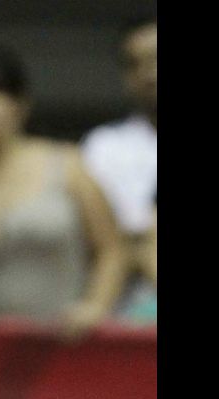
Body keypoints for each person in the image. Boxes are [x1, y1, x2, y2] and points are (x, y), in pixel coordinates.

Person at [0, 45, 127, 338]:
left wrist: (96, 306)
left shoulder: (68, 165)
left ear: (19, 103)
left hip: (66, 346)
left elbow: (112, 249)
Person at [80, 18, 157, 321]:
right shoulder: (102, 146)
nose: (150, 74)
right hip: (118, 316)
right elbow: (93, 239)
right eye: (137, 64)